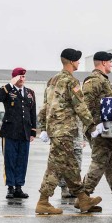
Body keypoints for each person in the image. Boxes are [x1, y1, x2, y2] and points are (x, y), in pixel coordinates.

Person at [36, 48, 104, 214]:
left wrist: (43, 127)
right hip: (65, 130)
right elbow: (80, 106)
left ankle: (82, 198)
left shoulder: (52, 80)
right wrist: (92, 126)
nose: (79, 63)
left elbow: (45, 106)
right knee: (60, 166)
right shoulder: (71, 82)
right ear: (72, 62)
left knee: (67, 165)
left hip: (55, 130)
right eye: (78, 60)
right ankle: (44, 201)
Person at [80, 51, 112, 210]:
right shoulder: (94, 80)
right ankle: (83, 196)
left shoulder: (102, 80)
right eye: (110, 62)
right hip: (98, 129)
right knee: (99, 161)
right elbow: (85, 105)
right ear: (104, 63)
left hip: (104, 128)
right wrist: (92, 127)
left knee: (110, 163)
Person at [0, 67, 36, 199]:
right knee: (10, 160)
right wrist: (10, 84)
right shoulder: (8, 90)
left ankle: (19, 187)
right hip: (10, 131)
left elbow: (32, 113)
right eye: (19, 77)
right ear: (14, 78)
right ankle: (10, 187)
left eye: (23, 77)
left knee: (22, 161)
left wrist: (33, 131)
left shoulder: (30, 93)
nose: (22, 79)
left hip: (24, 131)